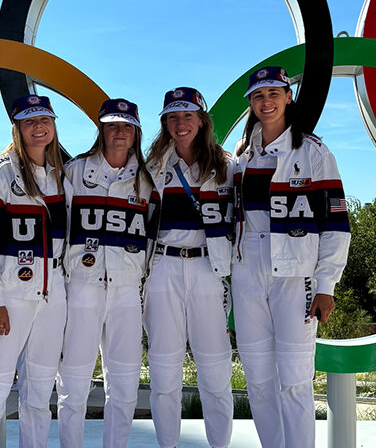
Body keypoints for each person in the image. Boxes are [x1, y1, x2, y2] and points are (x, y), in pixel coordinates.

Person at [231, 67, 351, 448]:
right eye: (257, 96)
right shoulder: (239, 157)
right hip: (246, 273)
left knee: (296, 380)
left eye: (273, 94)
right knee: (258, 379)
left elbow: (335, 225)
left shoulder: (315, 152)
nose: (266, 103)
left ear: (287, 97)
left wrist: (326, 284)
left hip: (296, 276)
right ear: (251, 104)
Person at [0, 95, 68, 448]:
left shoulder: (61, 176)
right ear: (18, 128)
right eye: (30, 122)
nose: (39, 127)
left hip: (53, 297)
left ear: (54, 125)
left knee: (39, 395)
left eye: (45, 120)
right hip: (10, 297)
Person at [57, 99, 152, 448]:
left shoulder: (146, 179)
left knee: (125, 387)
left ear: (136, 131)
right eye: (113, 124)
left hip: (127, 292)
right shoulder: (74, 172)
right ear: (101, 128)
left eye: (126, 125)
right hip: (81, 289)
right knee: (72, 386)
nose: (119, 132)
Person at [144, 87, 235, 448]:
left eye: (187, 115)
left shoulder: (228, 166)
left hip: (208, 270)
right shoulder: (152, 167)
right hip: (162, 268)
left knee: (215, 372)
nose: (180, 123)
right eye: (172, 116)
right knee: (164, 373)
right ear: (165, 123)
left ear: (202, 119)